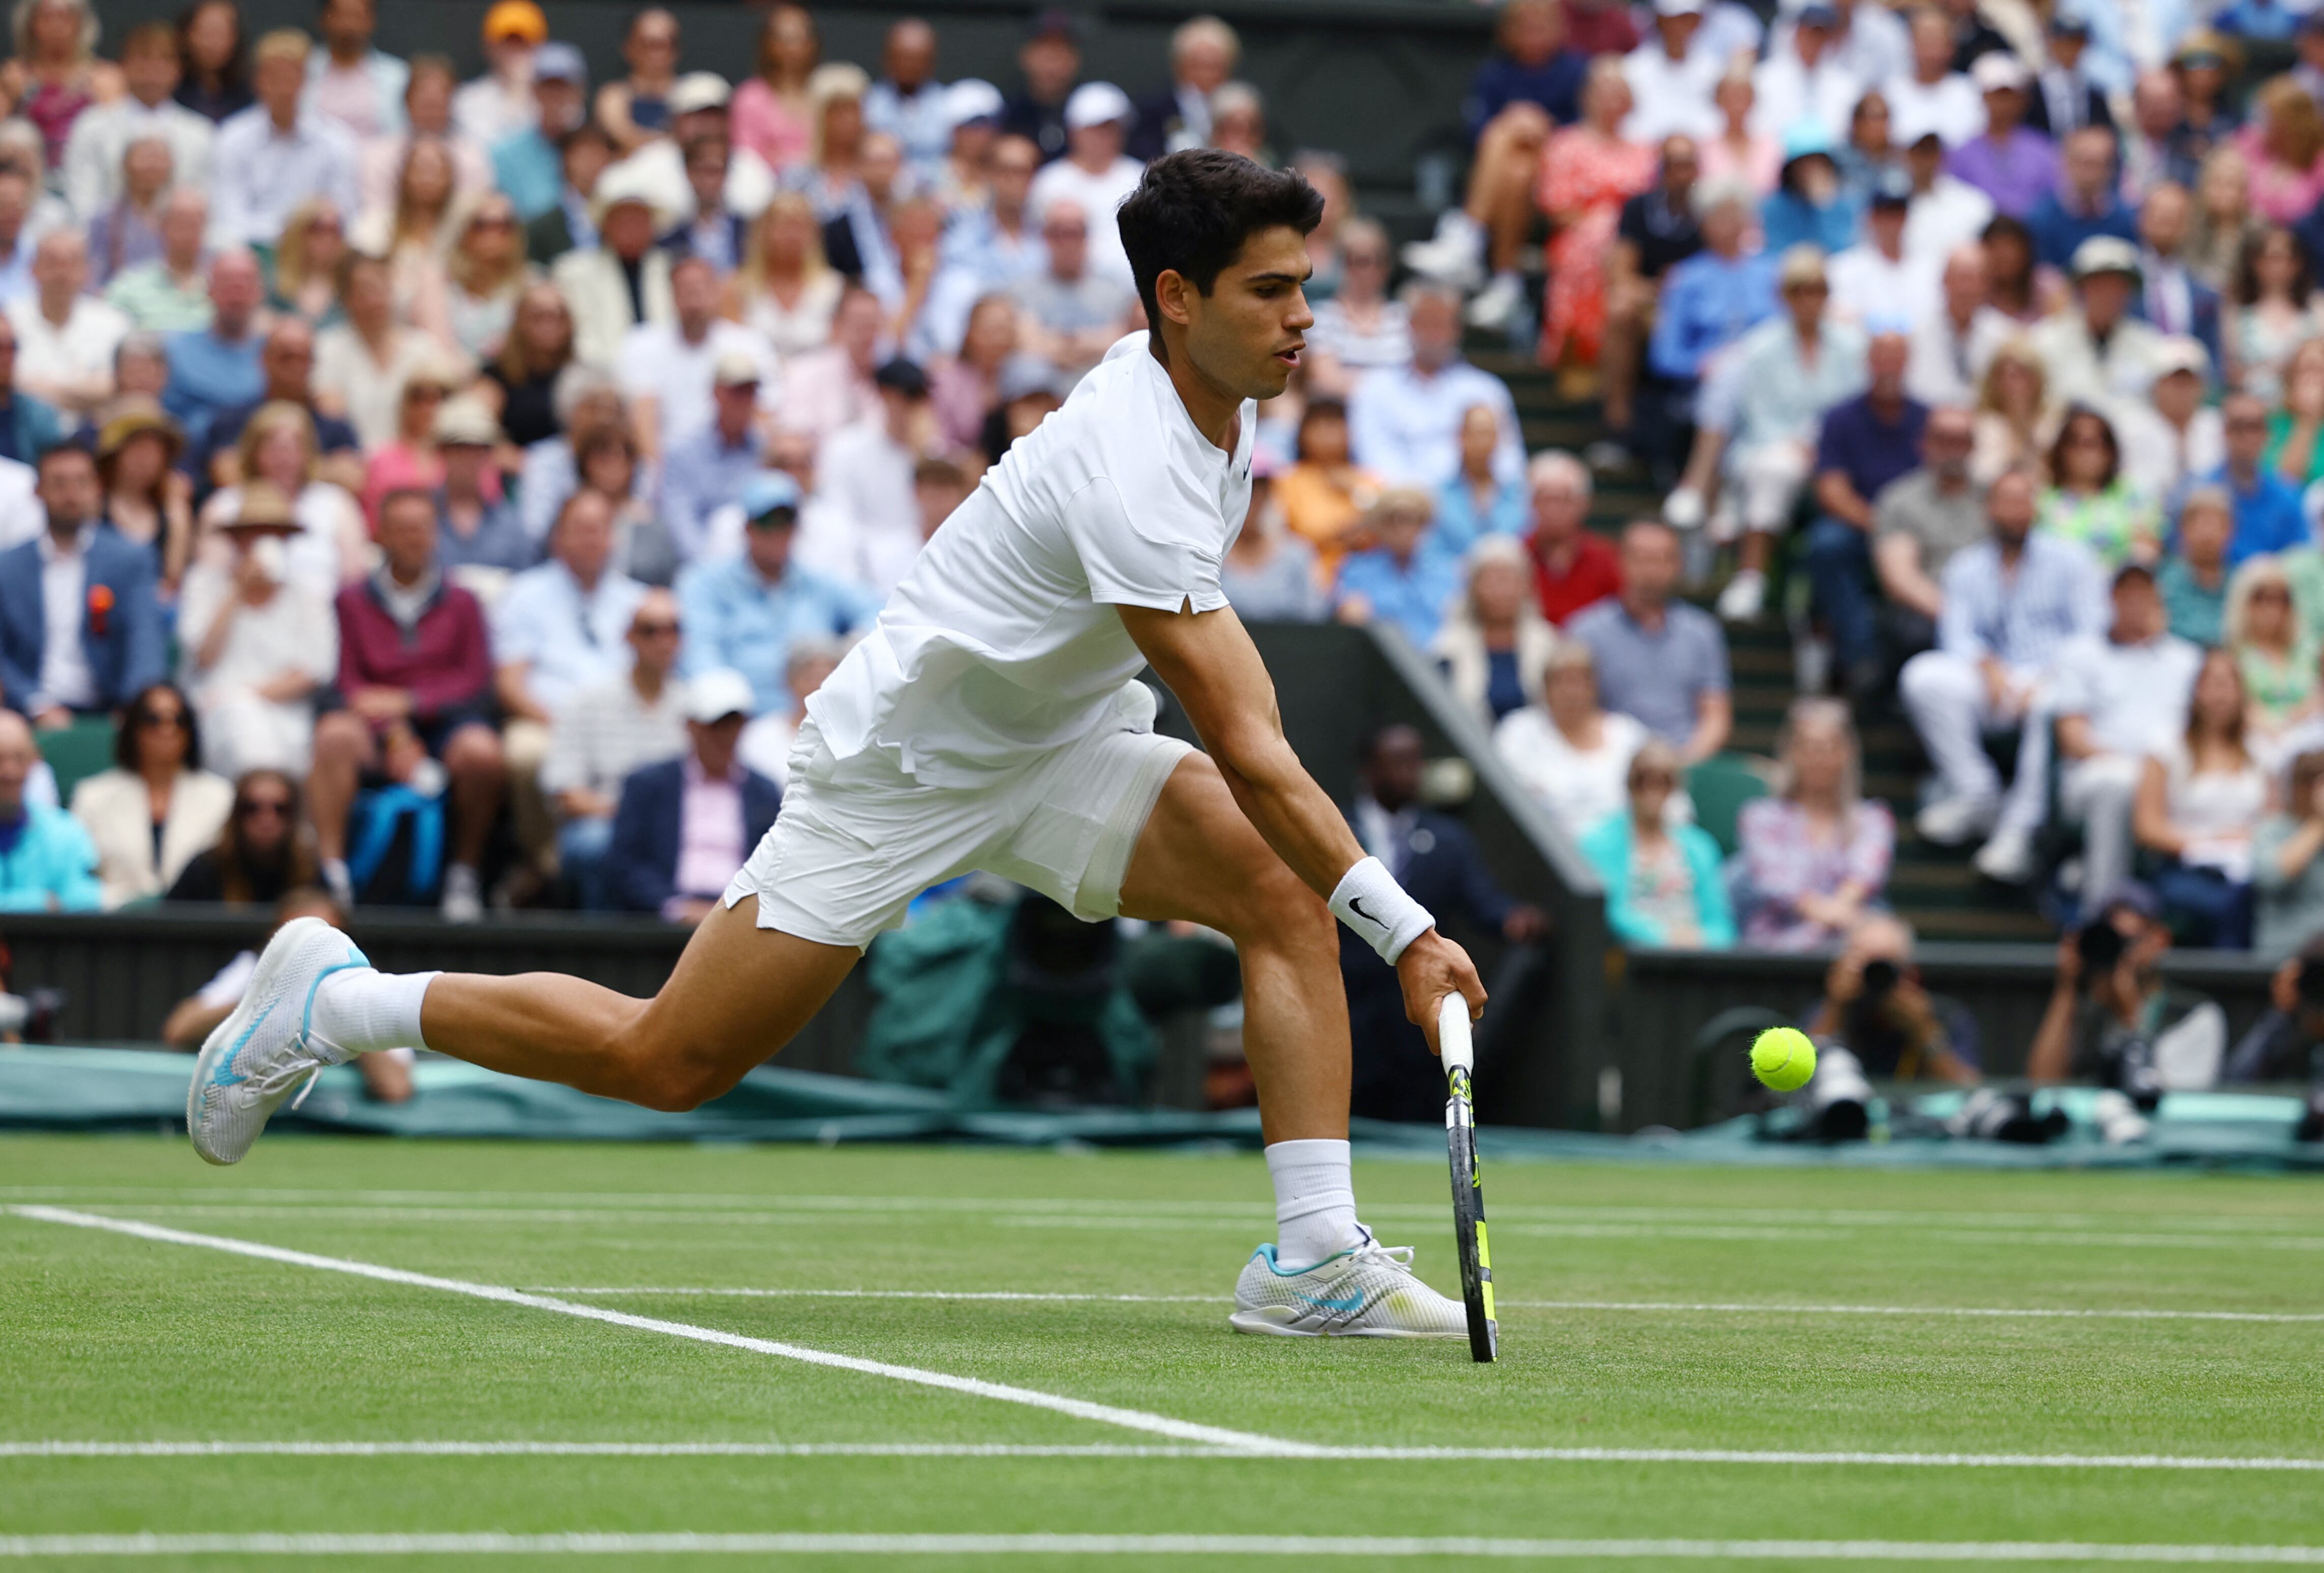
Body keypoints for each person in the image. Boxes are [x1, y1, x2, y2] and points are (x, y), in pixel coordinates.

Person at [193, 150, 1493, 1343]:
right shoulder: (1129, 458)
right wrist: (1404, 931)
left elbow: (1251, 771)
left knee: (1276, 882)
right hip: (903, 766)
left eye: (1303, 289)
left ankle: (1313, 1253)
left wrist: (1367, 914)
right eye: (1269, 291)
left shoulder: (1227, 394)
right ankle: (340, 1001)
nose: (1301, 318)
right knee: (670, 1058)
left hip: (1051, 742)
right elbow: (1251, 743)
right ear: (1173, 296)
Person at [1339, 722, 1544, 1121]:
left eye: (1415, 762)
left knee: (1418, 1110)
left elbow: (1482, 902)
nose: (1408, 773)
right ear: (1368, 768)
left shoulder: (1447, 838)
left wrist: (1513, 919)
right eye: (1396, 762)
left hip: (1414, 1015)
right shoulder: (1338, 830)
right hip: (1350, 1003)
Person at [313, 488, 502, 919]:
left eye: (421, 529)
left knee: (482, 753)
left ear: (435, 535)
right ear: (380, 536)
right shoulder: (350, 601)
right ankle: (333, 874)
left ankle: (464, 873)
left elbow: (475, 683)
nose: (412, 539)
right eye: (401, 529)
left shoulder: (464, 602)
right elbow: (345, 682)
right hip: (372, 728)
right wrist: (394, 733)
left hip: (444, 725)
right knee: (333, 735)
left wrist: (410, 702)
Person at [1899, 466, 2106, 845]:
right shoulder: (1966, 566)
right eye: (2004, 501)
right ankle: (1976, 792)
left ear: (2035, 508)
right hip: (1991, 681)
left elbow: (2090, 633)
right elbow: (1956, 634)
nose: (2013, 511)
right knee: (1923, 676)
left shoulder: (2072, 560)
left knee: (2050, 703)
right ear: (1988, 509)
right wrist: (1988, 667)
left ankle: (2019, 827)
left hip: (2053, 680)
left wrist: (2050, 676)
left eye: (2021, 501)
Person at [1978, 561, 2202, 889]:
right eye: (2128, 593)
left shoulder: (2187, 659)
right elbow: (2073, 738)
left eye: (2145, 593)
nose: (2137, 602)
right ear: (2112, 598)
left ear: (2158, 599)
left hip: (2172, 778)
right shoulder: (2079, 654)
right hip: (2094, 776)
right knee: (2117, 784)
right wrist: (2140, 769)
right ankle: (2101, 912)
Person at [1696, 245, 1869, 624]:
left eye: (1817, 291)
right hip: (1769, 448)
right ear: (1785, 296)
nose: (1809, 301)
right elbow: (1757, 417)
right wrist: (1798, 445)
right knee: (1775, 471)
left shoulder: (1852, 345)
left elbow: (1853, 408)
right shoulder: (1759, 348)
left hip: (1834, 454)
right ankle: (1751, 576)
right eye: (1799, 291)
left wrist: (1819, 446)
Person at [161, 887, 410, 1101]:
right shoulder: (253, 968)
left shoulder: (365, 981)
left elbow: (395, 1088)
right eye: (299, 939)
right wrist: (262, 999)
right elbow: (178, 1030)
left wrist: (339, 1010)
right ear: (275, 939)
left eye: (324, 939)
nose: (311, 951)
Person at [176, 480, 337, 782]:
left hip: (287, 721)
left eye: (273, 534)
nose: (263, 542)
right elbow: (204, 656)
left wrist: (242, 697)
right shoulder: (203, 585)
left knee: (250, 727)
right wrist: (237, 591)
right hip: (214, 720)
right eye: (254, 533)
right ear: (236, 539)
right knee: (240, 727)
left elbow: (312, 671)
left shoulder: (309, 597)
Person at [542, 585, 689, 912]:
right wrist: (634, 818)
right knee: (602, 844)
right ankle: (602, 951)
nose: (664, 640)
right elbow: (566, 793)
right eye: (651, 630)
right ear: (629, 637)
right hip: (607, 822)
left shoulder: (694, 709)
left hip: (677, 829)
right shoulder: (587, 702)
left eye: (674, 630)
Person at [0, 437, 166, 725]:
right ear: (38, 491)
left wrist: (133, 704)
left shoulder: (130, 560)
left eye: (81, 482)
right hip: (26, 713)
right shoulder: (8, 566)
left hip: (112, 708)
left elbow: (144, 639)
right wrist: (34, 703)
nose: (71, 494)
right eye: (60, 483)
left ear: (97, 488)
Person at [603, 666, 780, 923]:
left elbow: (775, 869)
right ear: (692, 727)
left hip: (741, 924)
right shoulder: (648, 785)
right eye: (716, 725)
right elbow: (624, 863)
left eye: (734, 724)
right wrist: (674, 907)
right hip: (660, 925)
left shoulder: (764, 791)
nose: (726, 735)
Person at [1803, 330, 1928, 687]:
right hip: (1862, 528)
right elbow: (1831, 490)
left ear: (1908, 364)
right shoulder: (1839, 417)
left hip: (1918, 531)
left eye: (1896, 358)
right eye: (1880, 358)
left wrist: (1904, 531)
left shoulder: (1926, 417)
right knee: (1827, 544)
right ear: (1867, 363)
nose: (1888, 367)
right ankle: (1862, 655)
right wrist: (1880, 526)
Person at [1733, 697, 1894, 950]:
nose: (1819, 758)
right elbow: (1774, 882)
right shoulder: (1760, 816)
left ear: (1847, 752)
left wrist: (1835, 913)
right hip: (1777, 944)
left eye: (1829, 747)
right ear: (1791, 752)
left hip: (1850, 943)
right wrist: (1826, 916)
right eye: (1809, 747)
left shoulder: (1872, 818)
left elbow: (1865, 875)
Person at [2135, 645, 2268, 948]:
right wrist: (2209, 843)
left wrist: (2248, 839)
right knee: (2230, 903)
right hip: (2185, 866)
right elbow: (2147, 826)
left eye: (2228, 684)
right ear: (2196, 689)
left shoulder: (2261, 749)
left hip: (2249, 865)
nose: (2220, 695)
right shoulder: (2165, 747)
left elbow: (2275, 817)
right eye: (2212, 684)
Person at [1568, 518, 1729, 760]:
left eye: (1662, 559)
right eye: (1641, 559)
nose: (1651, 570)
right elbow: (1574, 712)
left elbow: (1716, 716)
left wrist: (1683, 764)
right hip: (1609, 763)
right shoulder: (1585, 632)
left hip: (1685, 765)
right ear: (1621, 562)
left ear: (1678, 565)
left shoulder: (1702, 633)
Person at [67, 679, 232, 908]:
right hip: (114, 927)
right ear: (134, 728)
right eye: (153, 720)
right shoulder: (93, 797)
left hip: (196, 927)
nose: (167, 729)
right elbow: (76, 876)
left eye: (179, 720)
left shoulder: (222, 797)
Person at [2027, 897, 2227, 1085]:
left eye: (2127, 942)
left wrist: (2130, 1014)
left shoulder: (2194, 1015)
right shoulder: (2089, 1012)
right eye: (2110, 941)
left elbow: (2164, 1098)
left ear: (2159, 941)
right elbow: (2042, 1084)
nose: (2119, 954)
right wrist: (2066, 988)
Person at [1534, 58, 1656, 367]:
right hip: (1580, 238)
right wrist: (1600, 225)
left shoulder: (1645, 151)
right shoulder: (1565, 145)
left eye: (1619, 92)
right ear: (1587, 96)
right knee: (1593, 245)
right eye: (1604, 91)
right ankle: (1576, 349)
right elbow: (1556, 207)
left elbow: (1652, 207)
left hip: (1634, 245)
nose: (1611, 100)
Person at [1346, 283, 1523, 491]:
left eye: (1441, 323)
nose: (1433, 333)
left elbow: (1509, 464)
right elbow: (1372, 458)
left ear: (1457, 330)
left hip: (1471, 508)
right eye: (1425, 322)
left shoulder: (1487, 390)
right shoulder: (1375, 389)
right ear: (1409, 325)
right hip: (1399, 506)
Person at [209, 29, 360, 251]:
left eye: (292, 76)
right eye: (274, 77)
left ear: (306, 80)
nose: (283, 87)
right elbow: (230, 218)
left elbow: (343, 213)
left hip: (315, 255)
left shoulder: (337, 141)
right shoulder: (232, 138)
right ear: (258, 81)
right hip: (253, 252)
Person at [1581, 737, 1734, 948]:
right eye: (1643, 781)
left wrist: (1698, 941)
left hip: (1694, 961)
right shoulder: (1599, 842)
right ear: (1629, 784)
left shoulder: (1701, 847)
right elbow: (1612, 912)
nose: (1653, 791)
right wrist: (1664, 938)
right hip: (1629, 960)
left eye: (1664, 782)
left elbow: (1721, 926)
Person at [61, 19, 213, 224]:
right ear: (123, 65)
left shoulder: (201, 133)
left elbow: (206, 201)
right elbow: (81, 199)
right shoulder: (92, 125)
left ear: (179, 70)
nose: (153, 69)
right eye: (143, 58)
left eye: (164, 60)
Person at [1493, 639, 1648, 839]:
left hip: (1621, 854)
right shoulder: (1518, 732)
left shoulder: (1627, 734)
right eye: (1560, 680)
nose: (1570, 691)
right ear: (1545, 688)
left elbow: (1668, 801)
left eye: (1578, 681)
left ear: (1594, 686)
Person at [1801, 913, 1979, 1081]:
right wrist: (1836, 1006)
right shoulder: (1830, 1011)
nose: (1876, 977)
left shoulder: (1945, 1015)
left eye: (1885, 967)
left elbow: (1967, 1087)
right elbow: (1800, 1078)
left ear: (1910, 973)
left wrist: (1924, 1030)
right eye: (1867, 967)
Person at [550, 165, 674, 369]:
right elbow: (580, 342)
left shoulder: (671, 269)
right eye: (623, 218)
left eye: (639, 218)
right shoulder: (573, 273)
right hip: (599, 377)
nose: (631, 226)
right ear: (606, 223)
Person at [1429, 537, 1556, 727]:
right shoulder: (1447, 648)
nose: (1501, 591)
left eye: (1509, 580)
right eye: (1491, 581)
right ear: (1473, 588)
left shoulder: (1550, 644)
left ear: (1526, 586)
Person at [1331, 487, 1459, 648]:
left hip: (1439, 661)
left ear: (1424, 527)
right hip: (1380, 662)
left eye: (1412, 521)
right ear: (1379, 527)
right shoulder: (1356, 572)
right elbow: (1349, 619)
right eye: (1393, 521)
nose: (1403, 530)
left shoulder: (1448, 572)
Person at [165, 766, 314, 904]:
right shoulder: (205, 870)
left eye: (280, 809)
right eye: (252, 808)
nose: (266, 819)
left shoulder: (310, 870)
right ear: (237, 815)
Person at [159, 249, 265, 442]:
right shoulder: (176, 351)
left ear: (260, 292)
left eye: (246, 282)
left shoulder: (278, 354)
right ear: (209, 291)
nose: (237, 290)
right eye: (227, 281)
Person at [0, 706, 99, 910]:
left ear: (35, 759)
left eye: (19, 758)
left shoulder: (66, 831)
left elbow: (87, 898)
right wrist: (44, 902)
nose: (9, 772)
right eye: (0, 759)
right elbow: (59, 903)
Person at [2039, 405, 2160, 568]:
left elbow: (2148, 551)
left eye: (2093, 444)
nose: (2084, 453)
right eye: (2075, 443)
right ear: (2061, 450)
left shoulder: (2135, 497)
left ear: (2110, 451)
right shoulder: (2041, 501)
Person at [96, 397, 191, 591]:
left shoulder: (173, 512)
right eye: (137, 449)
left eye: (154, 451)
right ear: (115, 454)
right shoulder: (93, 506)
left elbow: (173, 581)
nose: (145, 460)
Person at [430, 398, 529, 577]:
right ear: (442, 451)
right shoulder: (420, 518)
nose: (470, 459)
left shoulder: (509, 523)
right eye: (460, 448)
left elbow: (525, 585)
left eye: (479, 449)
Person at [2206, 392, 2309, 563]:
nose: (2247, 436)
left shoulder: (2287, 497)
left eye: (2255, 427)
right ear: (2224, 433)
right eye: (2238, 426)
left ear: (2267, 435)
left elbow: (2301, 558)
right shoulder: (2202, 493)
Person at [1521, 450, 1621, 627]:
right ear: (1531, 504)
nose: (1554, 510)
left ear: (1584, 504)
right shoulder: (1516, 557)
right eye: (1545, 499)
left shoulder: (1608, 559)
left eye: (1565, 500)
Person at [2027, 126, 2139, 270]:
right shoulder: (2040, 220)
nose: (2092, 173)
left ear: (2111, 169)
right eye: (2085, 163)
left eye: (2100, 164)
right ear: (2066, 163)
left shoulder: (2128, 220)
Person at [105, 187, 212, 335]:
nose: (188, 234)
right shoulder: (127, 289)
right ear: (161, 228)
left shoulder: (221, 288)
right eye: (180, 225)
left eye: (195, 225)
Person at [2158, 484, 2233, 646]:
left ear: (2230, 532)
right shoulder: (2163, 580)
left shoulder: (2240, 583)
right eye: (2201, 524)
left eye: (2215, 525)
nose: (2208, 534)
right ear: (2184, 529)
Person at [173, 0, 250, 126]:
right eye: (206, 33)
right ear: (186, 34)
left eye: (221, 33)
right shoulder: (170, 90)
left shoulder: (250, 93)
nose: (213, 43)